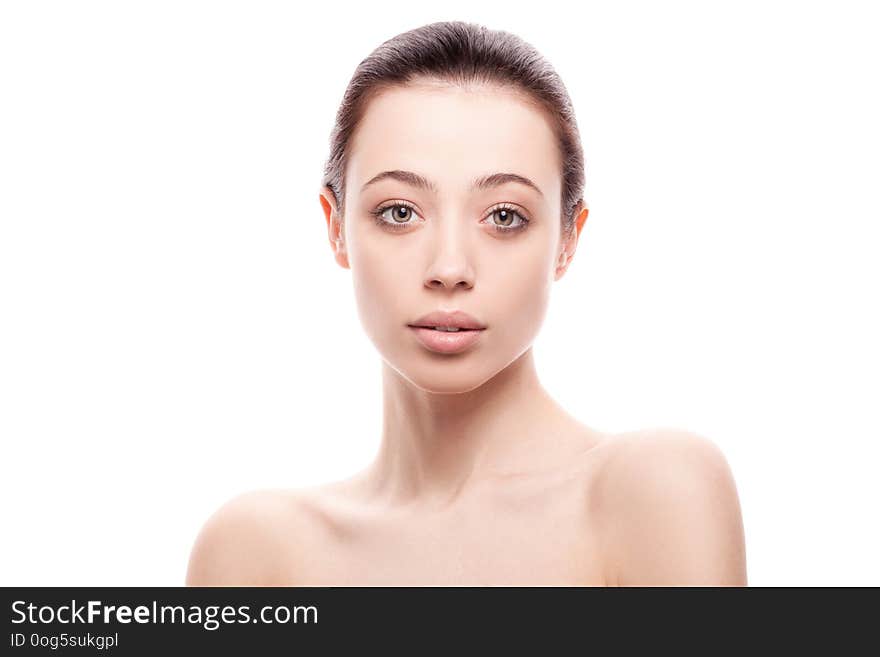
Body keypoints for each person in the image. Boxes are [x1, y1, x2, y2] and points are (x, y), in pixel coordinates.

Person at [186, 20, 747, 586]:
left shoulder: (656, 492)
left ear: (567, 240)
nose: (449, 269)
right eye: (399, 212)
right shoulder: (255, 552)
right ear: (336, 228)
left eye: (504, 216)